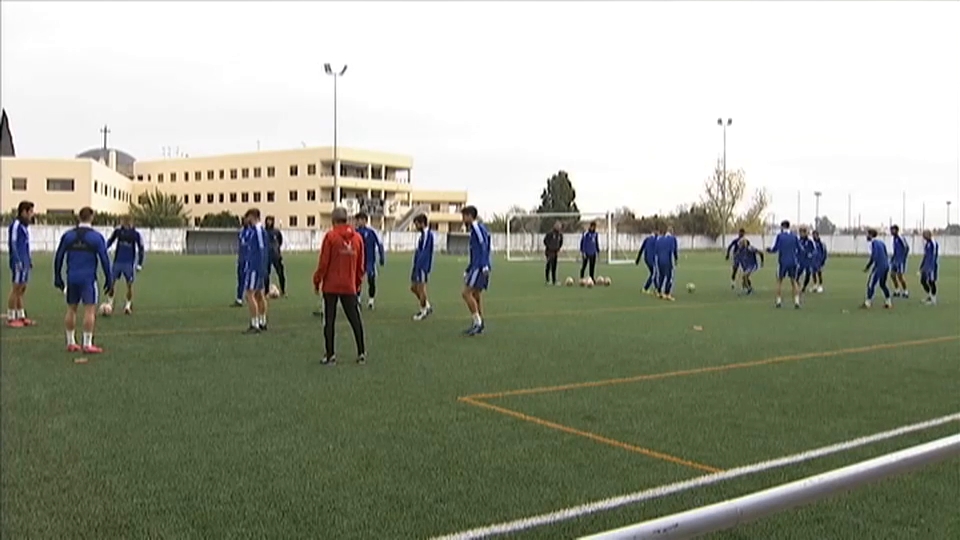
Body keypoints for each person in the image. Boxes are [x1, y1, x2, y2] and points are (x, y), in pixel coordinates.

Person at [53, 207, 113, 353]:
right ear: (91, 218)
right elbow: (104, 259)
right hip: (88, 279)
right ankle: (87, 343)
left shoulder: (68, 236)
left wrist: (58, 277)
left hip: (71, 278)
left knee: (71, 309)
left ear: (79, 218)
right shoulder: (96, 237)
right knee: (89, 310)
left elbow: (59, 257)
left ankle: (70, 342)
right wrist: (109, 279)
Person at [312, 207, 366, 365]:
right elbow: (360, 265)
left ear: (333, 220)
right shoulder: (357, 238)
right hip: (349, 285)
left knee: (329, 320)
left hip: (331, 286)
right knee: (355, 319)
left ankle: (330, 355)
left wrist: (317, 280)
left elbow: (324, 263)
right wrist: (357, 283)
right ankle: (361, 352)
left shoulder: (330, 237)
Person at [461, 205, 491, 336]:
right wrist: (468, 268)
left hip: (479, 267)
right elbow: (476, 251)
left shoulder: (477, 228)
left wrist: (484, 265)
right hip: (476, 266)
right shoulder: (474, 229)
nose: (463, 219)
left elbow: (484, 246)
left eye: (464, 216)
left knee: (466, 293)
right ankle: (480, 322)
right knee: (476, 295)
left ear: (469, 216)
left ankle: (477, 322)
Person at [105, 215, 145, 314]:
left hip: (128, 263)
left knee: (129, 285)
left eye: (127, 221)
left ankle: (128, 305)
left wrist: (139, 263)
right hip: (117, 261)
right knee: (112, 283)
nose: (125, 222)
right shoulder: (118, 232)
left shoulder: (135, 234)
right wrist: (104, 248)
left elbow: (141, 248)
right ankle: (110, 303)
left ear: (131, 222)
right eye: (123, 220)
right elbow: (110, 241)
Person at [239, 208, 270, 333]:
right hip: (256, 267)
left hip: (255, 268)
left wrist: (260, 267)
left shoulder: (258, 230)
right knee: (259, 294)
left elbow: (262, 249)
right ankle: (262, 321)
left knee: (249, 294)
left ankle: (255, 324)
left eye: (248, 217)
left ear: (252, 217)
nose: (246, 220)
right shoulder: (255, 230)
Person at [7, 200, 35, 327]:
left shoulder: (25, 226)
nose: (32, 215)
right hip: (18, 261)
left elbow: (26, 245)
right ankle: (11, 317)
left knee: (22, 289)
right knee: (16, 288)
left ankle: (21, 315)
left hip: (25, 260)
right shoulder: (16, 225)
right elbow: (13, 243)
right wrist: (17, 260)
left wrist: (29, 260)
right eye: (30, 212)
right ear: (24, 212)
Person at [766, 220, 801, 309]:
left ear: (782, 227)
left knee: (779, 281)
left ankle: (778, 301)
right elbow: (800, 248)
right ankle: (797, 302)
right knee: (794, 281)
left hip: (783, 262)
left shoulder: (780, 236)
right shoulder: (794, 236)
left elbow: (775, 248)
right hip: (793, 261)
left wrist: (769, 250)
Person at [354, 212, 385, 309]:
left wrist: (381, 256)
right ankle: (358, 299)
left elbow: (379, 244)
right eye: (357, 220)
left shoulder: (371, 232)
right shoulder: (354, 232)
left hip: (370, 261)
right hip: (358, 261)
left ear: (365, 220)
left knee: (371, 280)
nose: (357, 222)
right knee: (357, 280)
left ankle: (371, 300)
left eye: (359, 220)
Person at [411, 214, 435, 321]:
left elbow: (425, 252)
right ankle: (427, 306)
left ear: (422, 223)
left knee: (421, 288)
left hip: (422, 266)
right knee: (414, 287)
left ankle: (423, 311)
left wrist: (420, 266)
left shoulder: (427, 235)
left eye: (417, 224)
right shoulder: (423, 235)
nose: (416, 227)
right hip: (418, 265)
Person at [862, 229, 893, 309]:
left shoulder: (873, 243)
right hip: (886, 265)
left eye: (867, 234)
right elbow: (885, 254)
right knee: (882, 284)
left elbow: (874, 256)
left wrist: (868, 266)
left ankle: (868, 302)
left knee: (871, 283)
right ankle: (888, 301)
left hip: (879, 266)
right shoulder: (881, 243)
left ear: (871, 235)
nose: (866, 236)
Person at [264, 216, 287, 297]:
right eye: (268, 221)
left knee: (280, 273)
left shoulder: (276, 232)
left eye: (270, 221)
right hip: (266, 256)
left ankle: (283, 290)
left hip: (276, 256)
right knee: (266, 274)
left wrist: (276, 249)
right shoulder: (264, 232)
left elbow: (280, 241)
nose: (269, 222)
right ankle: (266, 292)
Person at [653, 226, 678, 300]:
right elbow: (674, 250)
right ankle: (667, 293)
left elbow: (656, 251)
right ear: (672, 232)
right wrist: (676, 259)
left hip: (659, 261)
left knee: (661, 276)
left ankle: (659, 291)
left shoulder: (659, 239)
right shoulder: (672, 239)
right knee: (669, 277)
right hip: (667, 260)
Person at [919, 230, 939, 305]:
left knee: (931, 281)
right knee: (923, 281)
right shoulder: (927, 244)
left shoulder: (933, 243)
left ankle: (933, 299)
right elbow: (925, 255)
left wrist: (931, 266)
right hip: (926, 266)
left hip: (932, 266)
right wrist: (922, 265)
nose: (923, 237)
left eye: (925, 235)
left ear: (929, 235)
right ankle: (930, 295)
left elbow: (934, 255)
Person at [889, 225, 910, 298]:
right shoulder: (894, 239)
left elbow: (907, 247)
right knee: (892, 275)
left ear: (896, 230)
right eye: (891, 230)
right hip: (895, 260)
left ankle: (905, 291)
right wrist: (893, 257)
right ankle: (897, 290)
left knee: (900, 276)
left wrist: (903, 258)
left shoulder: (900, 237)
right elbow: (896, 249)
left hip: (900, 261)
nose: (891, 232)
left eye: (893, 230)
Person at [233, 221, 249, 307]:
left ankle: (251, 298)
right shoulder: (242, 231)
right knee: (240, 279)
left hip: (248, 259)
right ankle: (239, 298)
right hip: (241, 259)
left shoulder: (252, 232)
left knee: (246, 279)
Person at [797, 227, 817, 293]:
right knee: (797, 274)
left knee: (808, 274)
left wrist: (811, 254)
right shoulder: (798, 241)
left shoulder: (810, 241)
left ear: (805, 233)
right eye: (800, 232)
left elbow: (814, 250)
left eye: (803, 232)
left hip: (808, 261)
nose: (801, 234)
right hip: (800, 260)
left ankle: (804, 287)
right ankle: (798, 285)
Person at [543, 221, 563, 286]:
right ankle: (547, 280)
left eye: (560, 226)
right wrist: (549, 247)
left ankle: (554, 281)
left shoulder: (560, 235)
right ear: (555, 226)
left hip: (555, 252)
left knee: (554, 266)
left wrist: (558, 248)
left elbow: (561, 242)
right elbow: (545, 241)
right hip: (549, 252)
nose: (559, 227)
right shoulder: (550, 233)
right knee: (549, 265)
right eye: (558, 226)